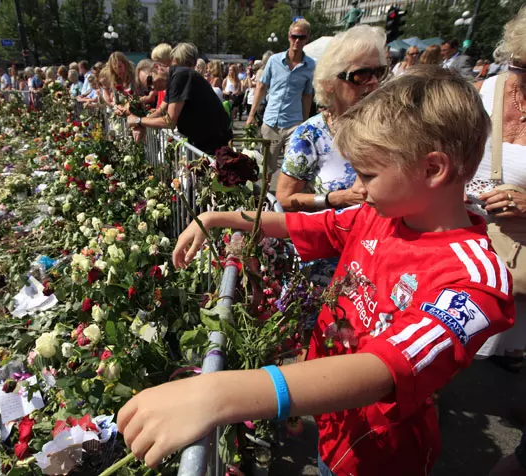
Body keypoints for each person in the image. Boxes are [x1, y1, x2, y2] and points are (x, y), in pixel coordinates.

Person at [117, 66, 515, 476]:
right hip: (332, 424)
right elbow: (304, 225)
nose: (357, 187)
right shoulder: (380, 215)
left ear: (433, 169)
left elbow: (385, 368)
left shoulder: (476, 281)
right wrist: (217, 216)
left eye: (369, 174)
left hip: (379, 457)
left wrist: (217, 392)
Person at [466, 5, 526, 373]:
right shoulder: (479, 94)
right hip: (459, 247)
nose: (518, 76)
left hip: (517, 261)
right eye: (518, 66)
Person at [276, 26, 386, 213]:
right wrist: (336, 198)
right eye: (361, 74)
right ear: (330, 84)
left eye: (379, 72)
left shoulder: (391, 126)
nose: (374, 81)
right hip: (333, 237)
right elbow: (285, 198)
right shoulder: (310, 135)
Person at [246, 19, 315, 181]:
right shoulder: (274, 60)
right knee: (266, 169)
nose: (297, 40)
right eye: (294, 36)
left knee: (293, 168)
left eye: (302, 37)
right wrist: (251, 115)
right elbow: (261, 87)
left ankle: (286, 201)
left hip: (294, 123)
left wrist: (304, 123)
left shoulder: (311, 65)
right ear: (289, 36)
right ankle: (264, 201)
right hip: (271, 123)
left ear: (307, 39)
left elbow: (307, 95)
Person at [128, 56, 232, 154]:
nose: (153, 87)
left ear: (157, 67)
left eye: (150, 80)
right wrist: (140, 124)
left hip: (214, 141)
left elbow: (170, 121)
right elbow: (161, 111)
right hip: (204, 140)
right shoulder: (172, 79)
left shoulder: (179, 77)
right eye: (149, 87)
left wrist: (139, 121)